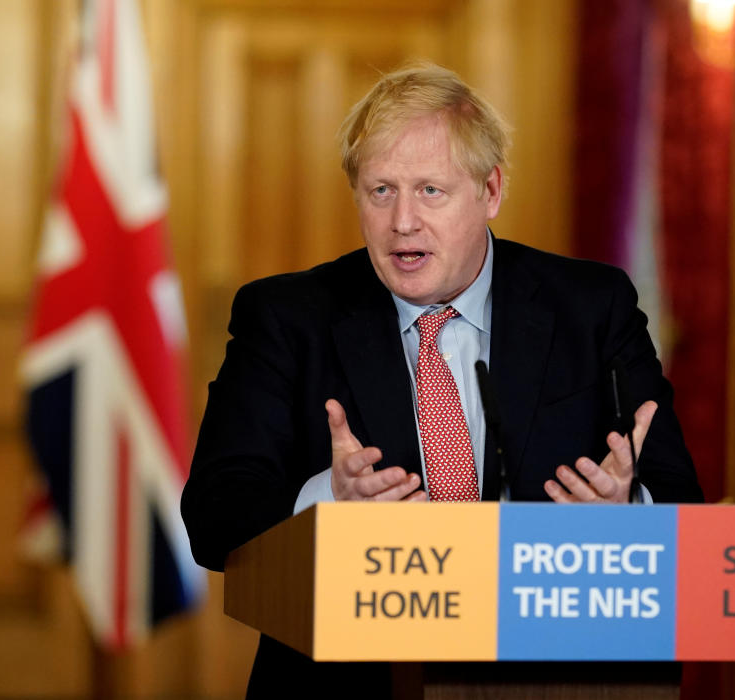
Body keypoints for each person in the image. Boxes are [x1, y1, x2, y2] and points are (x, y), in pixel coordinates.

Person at [181, 62, 702, 697]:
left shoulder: (592, 307)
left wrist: (628, 516)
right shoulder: (287, 317)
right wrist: (327, 503)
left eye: (431, 191)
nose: (402, 221)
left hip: (556, 676)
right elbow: (212, 516)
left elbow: (681, 501)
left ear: (491, 193)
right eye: (381, 191)